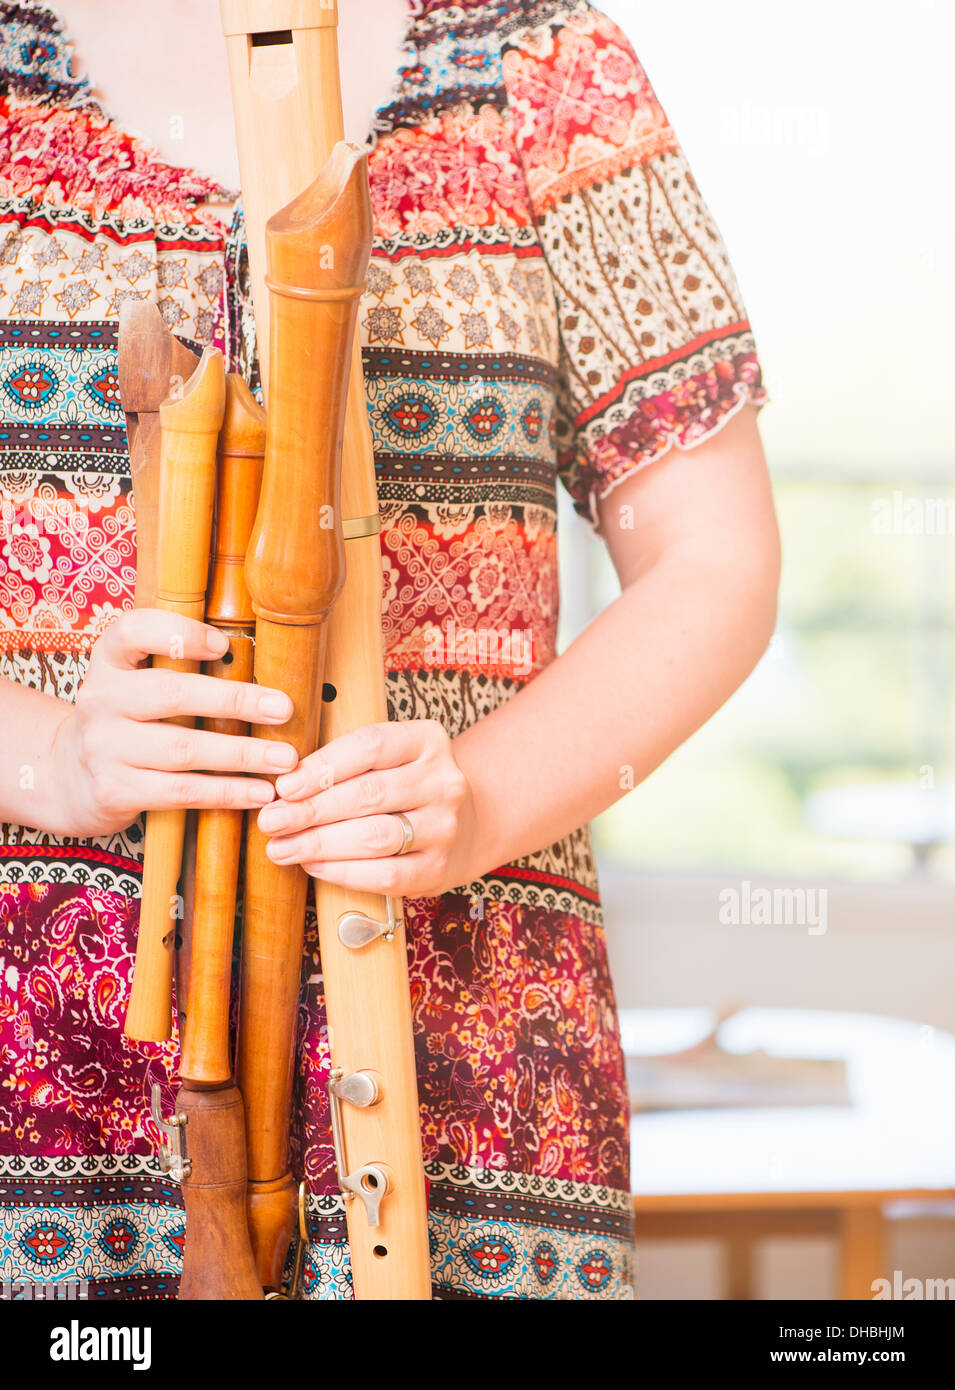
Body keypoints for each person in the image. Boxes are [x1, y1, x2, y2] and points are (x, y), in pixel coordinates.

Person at [0, 0, 778, 1300]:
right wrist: (54, 760)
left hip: (460, 1060)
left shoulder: (538, 57)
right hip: (42, 1070)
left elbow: (715, 561)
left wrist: (475, 802)